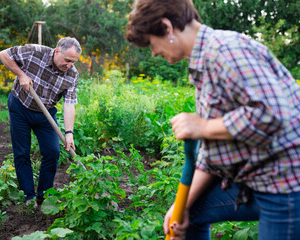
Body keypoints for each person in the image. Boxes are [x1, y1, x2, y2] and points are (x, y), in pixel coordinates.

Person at [126, 0, 300, 239]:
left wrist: (204, 126)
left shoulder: (224, 50)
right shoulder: (204, 63)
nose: (153, 53)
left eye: (150, 44)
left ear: (166, 27)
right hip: (256, 178)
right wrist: (181, 205)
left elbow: (274, 113)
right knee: (189, 215)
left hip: (286, 182)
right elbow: (212, 150)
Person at [0, 37, 82, 206]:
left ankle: (43, 196)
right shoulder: (35, 52)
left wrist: (69, 133)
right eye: (67, 60)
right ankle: (28, 196)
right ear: (57, 51)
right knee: (22, 152)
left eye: (73, 62)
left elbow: (69, 104)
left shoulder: (72, 75)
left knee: (52, 152)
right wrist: (21, 75)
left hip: (46, 113)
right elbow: (3, 54)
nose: (69, 65)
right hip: (20, 106)